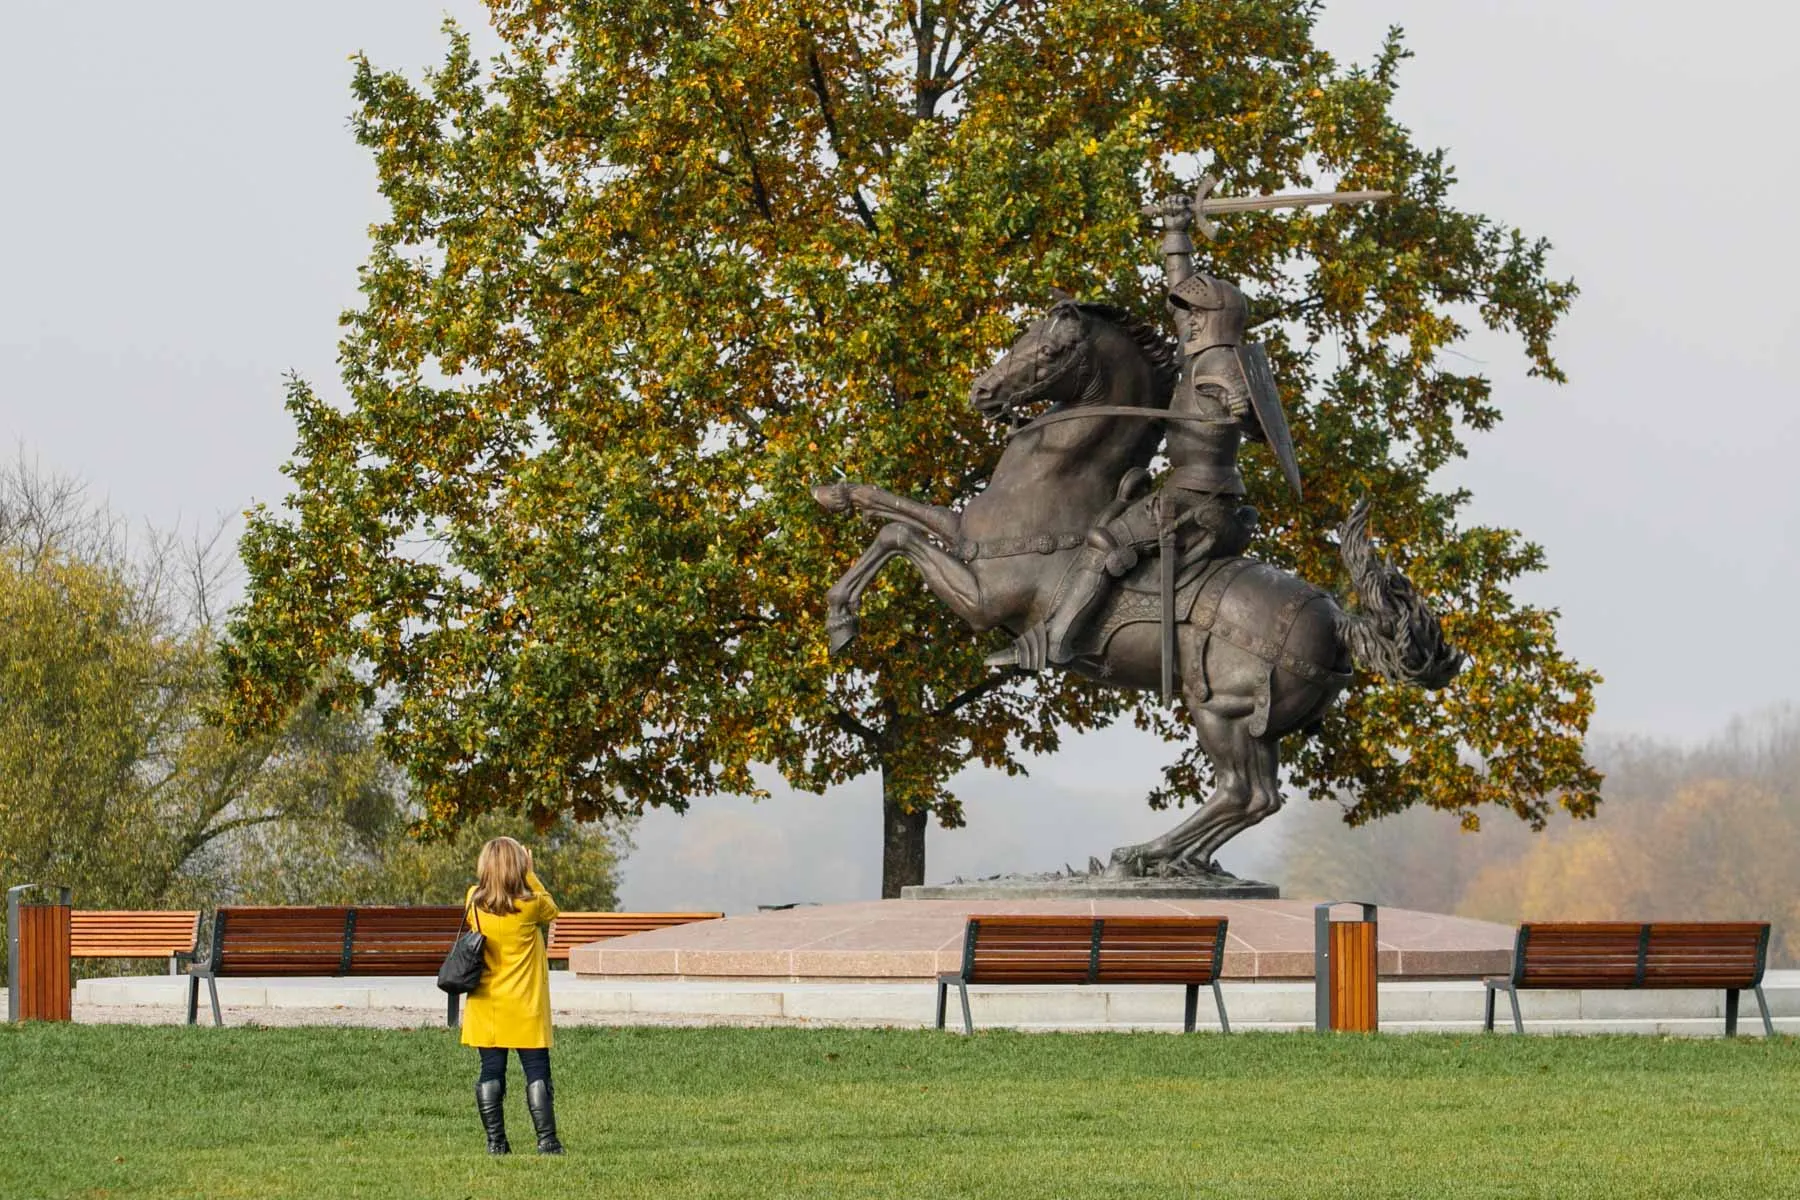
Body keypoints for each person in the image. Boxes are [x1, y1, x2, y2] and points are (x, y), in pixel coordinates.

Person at [985, 194, 1271, 671]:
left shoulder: (1221, 363)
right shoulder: (1198, 356)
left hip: (1201, 498)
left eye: (1194, 316)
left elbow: (1261, 429)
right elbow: (1178, 290)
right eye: (1187, 316)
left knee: (1106, 543)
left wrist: (1241, 410)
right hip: (1188, 492)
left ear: (1212, 321)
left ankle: (1057, 641)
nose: (1187, 320)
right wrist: (1176, 231)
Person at [462, 836, 563, 1155]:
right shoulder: (530, 904)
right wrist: (530, 872)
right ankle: (547, 1141)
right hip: (525, 1004)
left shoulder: (472, 900)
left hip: (486, 1003)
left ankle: (496, 1142)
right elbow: (553, 910)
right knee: (536, 1072)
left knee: (490, 1071)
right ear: (517, 865)